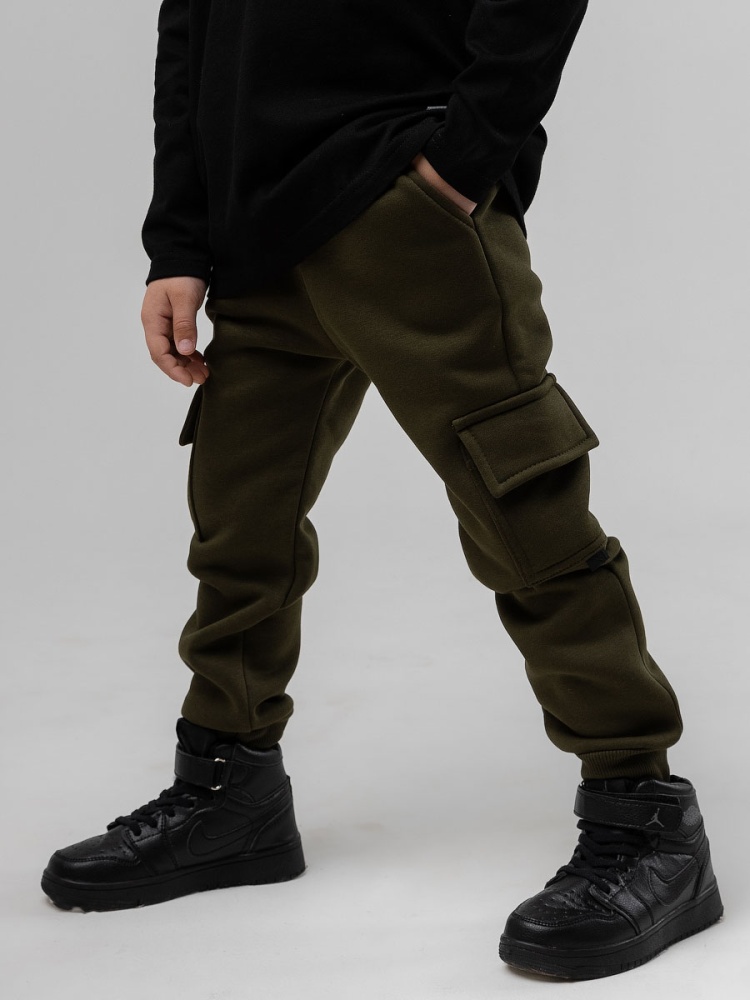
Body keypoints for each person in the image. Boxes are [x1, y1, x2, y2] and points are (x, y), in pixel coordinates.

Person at [41, 0, 722, 980]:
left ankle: (646, 817)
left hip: (403, 199)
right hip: (254, 230)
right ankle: (230, 790)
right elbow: (189, 22)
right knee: (238, 525)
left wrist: (461, 162)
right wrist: (179, 240)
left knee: (524, 513)